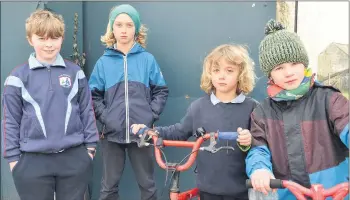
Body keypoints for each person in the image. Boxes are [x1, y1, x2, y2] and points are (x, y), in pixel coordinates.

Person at [132, 44, 258, 200]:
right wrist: (153, 131)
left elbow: (262, 142)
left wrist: (250, 139)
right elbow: (179, 131)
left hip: (242, 190)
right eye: (216, 70)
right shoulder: (198, 107)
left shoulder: (252, 108)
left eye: (229, 70)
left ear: (241, 74)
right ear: (209, 74)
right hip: (207, 189)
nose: (221, 76)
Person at [246, 19, 349, 200]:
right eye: (279, 67)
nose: (289, 72)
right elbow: (257, 149)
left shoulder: (329, 99)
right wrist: (259, 169)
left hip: (334, 193)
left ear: (304, 64)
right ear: (270, 75)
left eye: (294, 63)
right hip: (288, 194)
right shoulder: (262, 112)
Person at [2, 9, 98, 200]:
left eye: (54, 38)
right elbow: (10, 121)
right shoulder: (16, 78)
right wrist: (14, 161)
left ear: (62, 38)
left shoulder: (75, 73)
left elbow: (87, 112)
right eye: (42, 38)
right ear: (31, 39)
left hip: (74, 159)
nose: (49, 44)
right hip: (32, 162)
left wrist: (90, 150)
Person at [88, 4, 169, 200]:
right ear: (112, 28)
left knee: (148, 186)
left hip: (141, 134)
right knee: (108, 187)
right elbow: (93, 95)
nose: (124, 30)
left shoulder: (147, 60)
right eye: (119, 25)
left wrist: (149, 116)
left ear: (136, 29)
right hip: (112, 134)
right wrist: (107, 118)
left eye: (129, 25)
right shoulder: (103, 63)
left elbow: (161, 90)